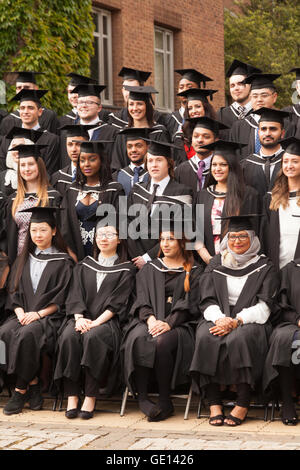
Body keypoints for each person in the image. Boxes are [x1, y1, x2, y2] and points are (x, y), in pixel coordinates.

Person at [190, 215, 278, 426]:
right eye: (232, 237)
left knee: (240, 339)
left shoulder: (265, 266)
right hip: (217, 318)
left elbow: (265, 306)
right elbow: (206, 299)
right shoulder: (215, 264)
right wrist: (220, 319)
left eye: (242, 236)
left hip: (250, 322)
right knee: (206, 335)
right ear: (226, 239)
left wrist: (237, 321)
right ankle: (213, 402)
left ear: (253, 238)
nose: (236, 241)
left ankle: (243, 401)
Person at [54, 218, 136, 419]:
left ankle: (91, 396)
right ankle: (72, 395)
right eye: (100, 235)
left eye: (110, 235)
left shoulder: (126, 269)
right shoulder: (83, 265)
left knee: (93, 337)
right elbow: (75, 295)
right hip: (81, 319)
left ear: (119, 240)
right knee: (68, 337)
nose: (104, 239)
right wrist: (79, 318)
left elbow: (118, 302)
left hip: (107, 323)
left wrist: (96, 323)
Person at [121, 217, 202, 421]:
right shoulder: (150, 268)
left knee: (161, 341)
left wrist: (169, 323)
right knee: (139, 337)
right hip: (148, 320)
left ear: (182, 242)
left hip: (181, 325)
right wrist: (151, 320)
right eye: (162, 239)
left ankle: (165, 400)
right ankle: (142, 398)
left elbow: (191, 305)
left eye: (171, 239)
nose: (165, 244)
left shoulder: (195, 270)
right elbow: (141, 299)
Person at [0, 206, 74, 415]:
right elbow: (13, 291)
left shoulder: (63, 261)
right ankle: (33, 385)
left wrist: (38, 314)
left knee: (27, 335)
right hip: (23, 315)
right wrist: (21, 312)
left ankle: (19, 390)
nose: (37, 235)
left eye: (42, 230)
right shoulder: (23, 258)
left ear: (53, 231)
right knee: (3, 334)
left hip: (49, 318)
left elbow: (63, 298)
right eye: (33, 230)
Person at [127, 140, 193, 269]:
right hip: (134, 259)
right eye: (150, 161)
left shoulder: (182, 193)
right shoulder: (137, 190)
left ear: (169, 163)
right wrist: (137, 257)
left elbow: (181, 231)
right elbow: (127, 223)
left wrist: (148, 257)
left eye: (159, 160)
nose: (154, 165)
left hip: (166, 261)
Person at [195, 141, 260, 265]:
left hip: (241, 263)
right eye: (214, 165)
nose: (217, 169)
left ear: (232, 167)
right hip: (207, 263)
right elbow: (196, 231)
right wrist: (208, 259)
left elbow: (255, 231)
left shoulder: (248, 195)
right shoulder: (202, 195)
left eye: (223, 165)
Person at [60, 141, 124, 261]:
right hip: (76, 250)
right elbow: (64, 224)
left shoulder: (114, 189)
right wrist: (69, 251)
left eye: (92, 159)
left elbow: (121, 225)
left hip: (105, 251)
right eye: (82, 160)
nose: (86, 164)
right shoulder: (72, 189)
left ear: (102, 161)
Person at [4, 144, 61, 264]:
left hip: (46, 260)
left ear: (39, 166)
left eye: (31, 164)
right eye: (22, 165)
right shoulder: (13, 200)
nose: (26, 169)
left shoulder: (53, 197)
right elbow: (10, 236)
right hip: (19, 260)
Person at [263, 255, 300, 425]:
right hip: (294, 323)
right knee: (286, 339)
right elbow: (280, 307)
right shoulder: (290, 270)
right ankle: (287, 401)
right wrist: (297, 319)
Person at [230, 73, 296, 160]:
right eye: (255, 96)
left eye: (264, 95)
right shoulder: (238, 127)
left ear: (274, 97)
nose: (259, 100)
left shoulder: (288, 126)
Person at [261, 137, 300, 270]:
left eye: (295, 161)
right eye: (286, 161)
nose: (289, 166)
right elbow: (264, 236)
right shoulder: (271, 198)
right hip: (276, 268)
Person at [0, 89, 60, 175]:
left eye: (30, 108)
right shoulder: (8, 139)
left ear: (39, 112)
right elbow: (2, 169)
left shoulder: (51, 140)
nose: (25, 112)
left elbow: (49, 171)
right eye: (22, 108)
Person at [111, 86, 170, 172]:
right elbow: (117, 165)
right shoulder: (123, 133)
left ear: (147, 106)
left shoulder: (159, 132)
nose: (135, 108)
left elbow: (165, 161)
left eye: (139, 104)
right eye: (131, 104)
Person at [175, 117, 228, 199]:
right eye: (196, 136)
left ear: (216, 140)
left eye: (206, 137)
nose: (199, 140)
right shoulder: (180, 170)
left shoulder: (222, 170)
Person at [241, 108, 287, 201]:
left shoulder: (291, 162)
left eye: (273, 129)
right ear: (258, 132)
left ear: (282, 133)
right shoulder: (245, 165)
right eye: (263, 129)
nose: (267, 133)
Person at [0, 71, 59, 136]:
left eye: (26, 87)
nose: (22, 90)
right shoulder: (8, 120)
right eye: (19, 87)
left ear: (36, 88)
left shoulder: (49, 116)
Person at [173, 88, 218, 163]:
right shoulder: (182, 136)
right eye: (190, 108)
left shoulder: (218, 131)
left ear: (205, 108)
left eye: (198, 106)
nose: (193, 111)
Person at [166, 69, 213, 139]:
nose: (185, 90)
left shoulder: (211, 119)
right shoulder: (169, 119)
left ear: (198, 89)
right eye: (181, 87)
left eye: (190, 87)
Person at [217, 59, 262, 134]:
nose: (236, 88)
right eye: (232, 85)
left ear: (250, 85)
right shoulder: (221, 115)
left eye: (240, 84)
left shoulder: (259, 113)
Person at [51, 124, 91, 196]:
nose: (73, 149)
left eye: (78, 144)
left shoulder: (97, 177)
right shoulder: (57, 178)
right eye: (70, 144)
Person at [0, 127, 41, 197]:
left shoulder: (39, 175)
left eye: (21, 146)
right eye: (14, 147)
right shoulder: (3, 176)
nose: (16, 151)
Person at [113, 127, 150, 196]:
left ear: (148, 147)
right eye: (129, 146)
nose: (133, 150)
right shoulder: (117, 176)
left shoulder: (154, 174)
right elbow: (121, 204)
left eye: (138, 146)